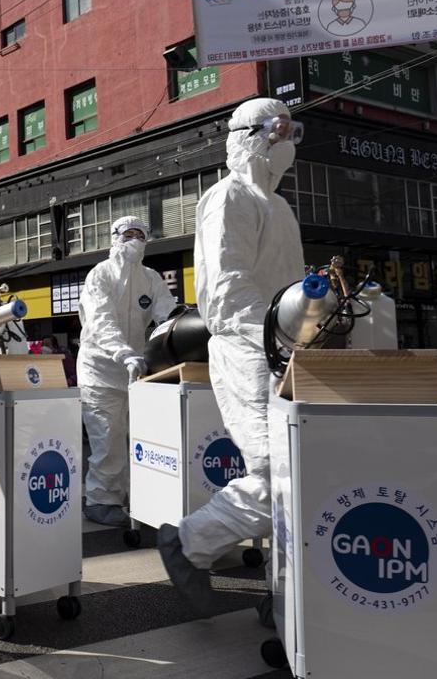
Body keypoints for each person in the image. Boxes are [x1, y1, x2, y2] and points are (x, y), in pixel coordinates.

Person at [158, 97, 305, 620]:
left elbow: (292, 288)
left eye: (292, 131)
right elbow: (224, 292)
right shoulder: (227, 197)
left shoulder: (281, 207)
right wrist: (276, 336)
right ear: (247, 136)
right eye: (276, 130)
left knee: (303, 465)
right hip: (247, 349)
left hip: (287, 352)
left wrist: (303, 331)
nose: (285, 141)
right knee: (275, 471)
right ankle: (188, 541)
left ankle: (284, 588)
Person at [77, 217, 176, 526]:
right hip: (100, 371)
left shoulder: (151, 279)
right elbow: (100, 321)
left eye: (140, 235)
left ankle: (138, 497)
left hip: (136, 372)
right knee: (108, 439)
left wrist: (179, 333)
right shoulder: (100, 275)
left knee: (139, 439)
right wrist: (122, 353)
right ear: (115, 238)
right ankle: (100, 500)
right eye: (128, 234)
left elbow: (166, 314)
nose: (134, 239)